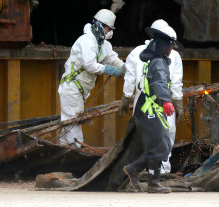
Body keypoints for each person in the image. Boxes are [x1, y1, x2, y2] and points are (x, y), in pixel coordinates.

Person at [118, 19, 183, 173]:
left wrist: (126, 99)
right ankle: (160, 173)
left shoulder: (138, 52)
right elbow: (174, 84)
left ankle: (139, 171)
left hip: (142, 102)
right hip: (162, 103)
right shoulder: (172, 56)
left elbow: (130, 78)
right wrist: (177, 103)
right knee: (165, 138)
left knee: (141, 138)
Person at [58, 9, 125, 146]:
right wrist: (110, 70)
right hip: (72, 87)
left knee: (69, 127)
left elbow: (112, 58)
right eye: (108, 28)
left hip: (80, 90)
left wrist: (125, 68)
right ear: (100, 25)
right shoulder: (86, 41)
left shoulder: (103, 45)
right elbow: (90, 65)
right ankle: (77, 154)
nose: (109, 31)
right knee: (73, 124)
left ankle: (63, 155)